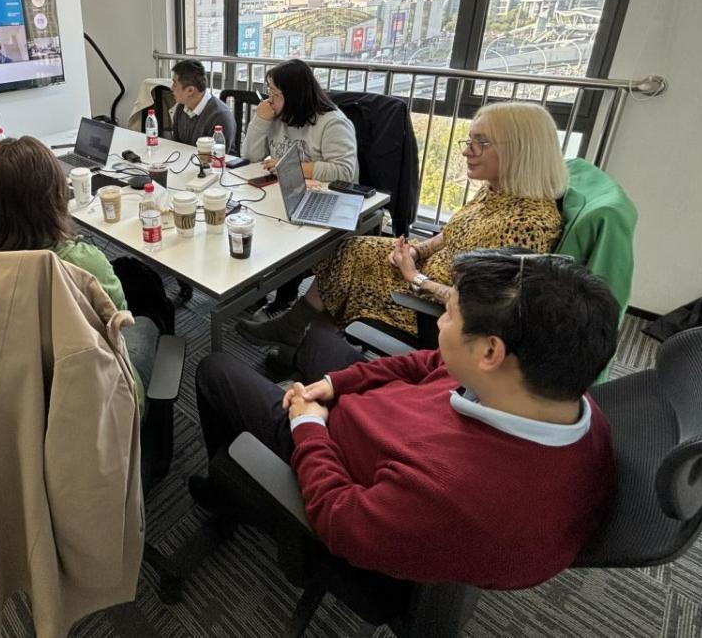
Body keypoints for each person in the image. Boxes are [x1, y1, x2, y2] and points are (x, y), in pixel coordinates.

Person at [192, 250, 618, 589]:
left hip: (332, 455)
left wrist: (308, 425)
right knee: (320, 337)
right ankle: (301, 374)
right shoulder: (560, 397)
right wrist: (336, 383)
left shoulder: (456, 494)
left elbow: (342, 519)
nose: (441, 322)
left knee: (215, 370)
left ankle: (228, 492)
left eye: (449, 313)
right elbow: (430, 363)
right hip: (387, 420)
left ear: (490, 353)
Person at [238, 100, 566, 349]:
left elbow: (482, 306)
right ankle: (299, 335)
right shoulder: (496, 191)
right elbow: (450, 236)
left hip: (429, 307)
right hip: (423, 271)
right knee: (347, 246)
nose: (467, 151)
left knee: (350, 261)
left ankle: (299, 338)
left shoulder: (529, 223)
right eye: (468, 141)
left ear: (521, 150)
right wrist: (416, 250)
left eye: (480, 142)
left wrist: (414, 275)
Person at [0, 136, 159, 411]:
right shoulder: (82, 263)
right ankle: (152, 432)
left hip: (15, 396)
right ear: (56, 193)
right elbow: (118, 320)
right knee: (146, 324)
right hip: (94, 402)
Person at [242, 59, 359, 183]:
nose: (270, 99)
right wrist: (260, 121)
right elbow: (251, 158)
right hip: (291, 188)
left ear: (295, 97)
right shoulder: (277, 114)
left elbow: (344, 172)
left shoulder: (333, 123)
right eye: (270, 91)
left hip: (328, 194)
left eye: (275, 94)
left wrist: (289, 167)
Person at [169, 59, 237, 149]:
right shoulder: (181, 107)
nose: (171, 88)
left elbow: (217, 158)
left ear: (190, 90)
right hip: (186, 160)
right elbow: (176, 146)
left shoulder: (220, 116)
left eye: (174, 84)